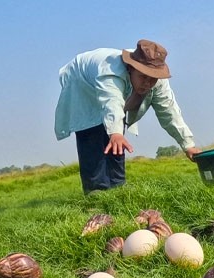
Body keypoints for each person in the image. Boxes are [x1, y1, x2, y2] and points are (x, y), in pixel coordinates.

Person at [54, 39, 200, 193]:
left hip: (112, 94)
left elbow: (169, 112)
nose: (148, 83)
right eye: (143, 76)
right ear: (131, 68)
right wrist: (115, 133)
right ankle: (95, 192)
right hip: (81, 82)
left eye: (152, 78)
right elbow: (112, 102)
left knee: (117, 140)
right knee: (92, 130)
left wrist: (188, 145)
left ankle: (118, 187)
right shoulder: (111, 72)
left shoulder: (158, 82)